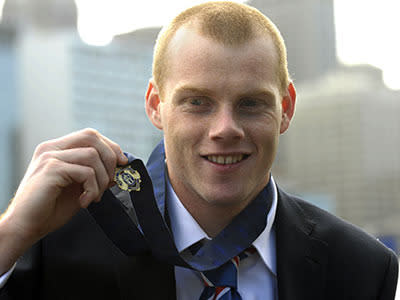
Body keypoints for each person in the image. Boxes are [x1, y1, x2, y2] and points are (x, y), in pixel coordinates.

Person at [0, 1, 398, 299]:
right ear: (156, 105)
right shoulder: (59, 243)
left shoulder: (362, 269)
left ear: (286, 108)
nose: (225, 129)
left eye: (250, 103)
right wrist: (11, 233)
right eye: (197, 102)